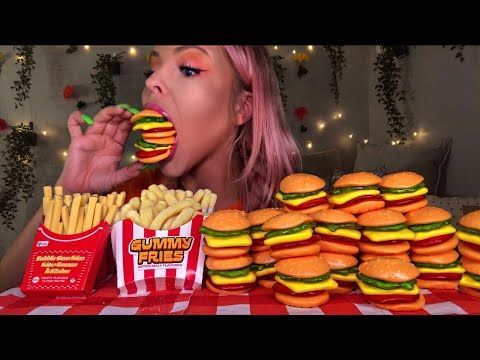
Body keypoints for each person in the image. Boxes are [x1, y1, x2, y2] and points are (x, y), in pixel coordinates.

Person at [0, 45, 301, 292]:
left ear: (242, 107)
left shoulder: (285, 220)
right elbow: (8, 289)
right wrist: (71, 193)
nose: (150, 82)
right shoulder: (124, 204)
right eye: (153, 68)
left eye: (188, 69)